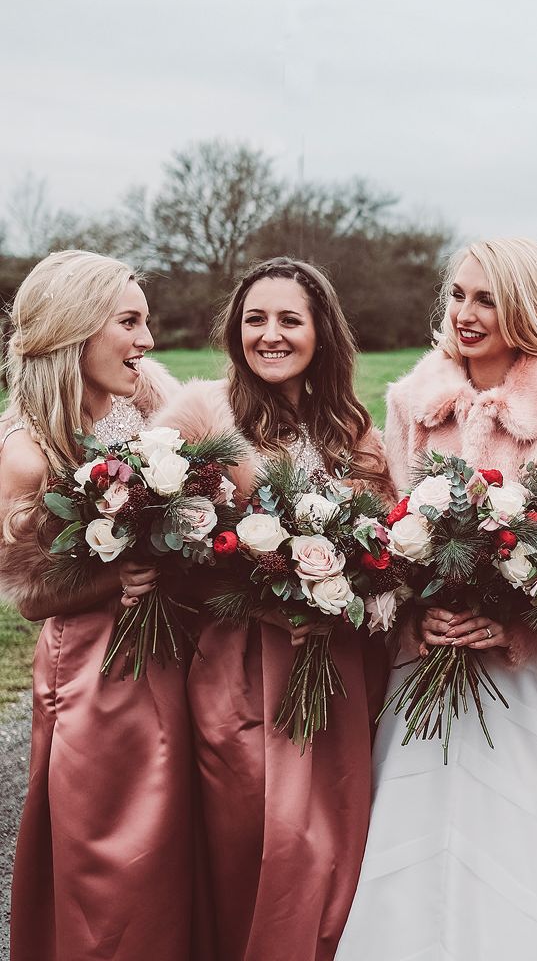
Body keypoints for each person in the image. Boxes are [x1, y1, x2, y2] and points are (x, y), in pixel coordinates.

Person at [337, 238, 537, 960]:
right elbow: (389, 533)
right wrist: (417, 616)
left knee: (529, 843)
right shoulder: (411, 402)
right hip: (428, 665)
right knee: (418, 842)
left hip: (534, 676)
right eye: (458, 294)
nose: (465, 312)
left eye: (486, 299)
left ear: (524, 307)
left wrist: (516, 628)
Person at [154, 256, 394, 959]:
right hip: (237, 666)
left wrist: (348, 586)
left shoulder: (351, 429)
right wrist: (255, 593)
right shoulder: (202, 413)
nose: (271, 335)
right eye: (255, 319)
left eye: (290, 319)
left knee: (328, 839)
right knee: (253, 836)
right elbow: (159, 542)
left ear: (322, 332)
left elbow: (388, 546)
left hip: (336, 666)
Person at [0, 250, 191, 960]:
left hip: (174, 659)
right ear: (75, 330)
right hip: (95, 676)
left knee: (174, 847)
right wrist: (120, 576)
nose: (147, 340)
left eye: (147, 322)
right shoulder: (27, 451)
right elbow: (28, 595)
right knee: (109, 858)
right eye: (129, 322)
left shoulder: (151, 412)